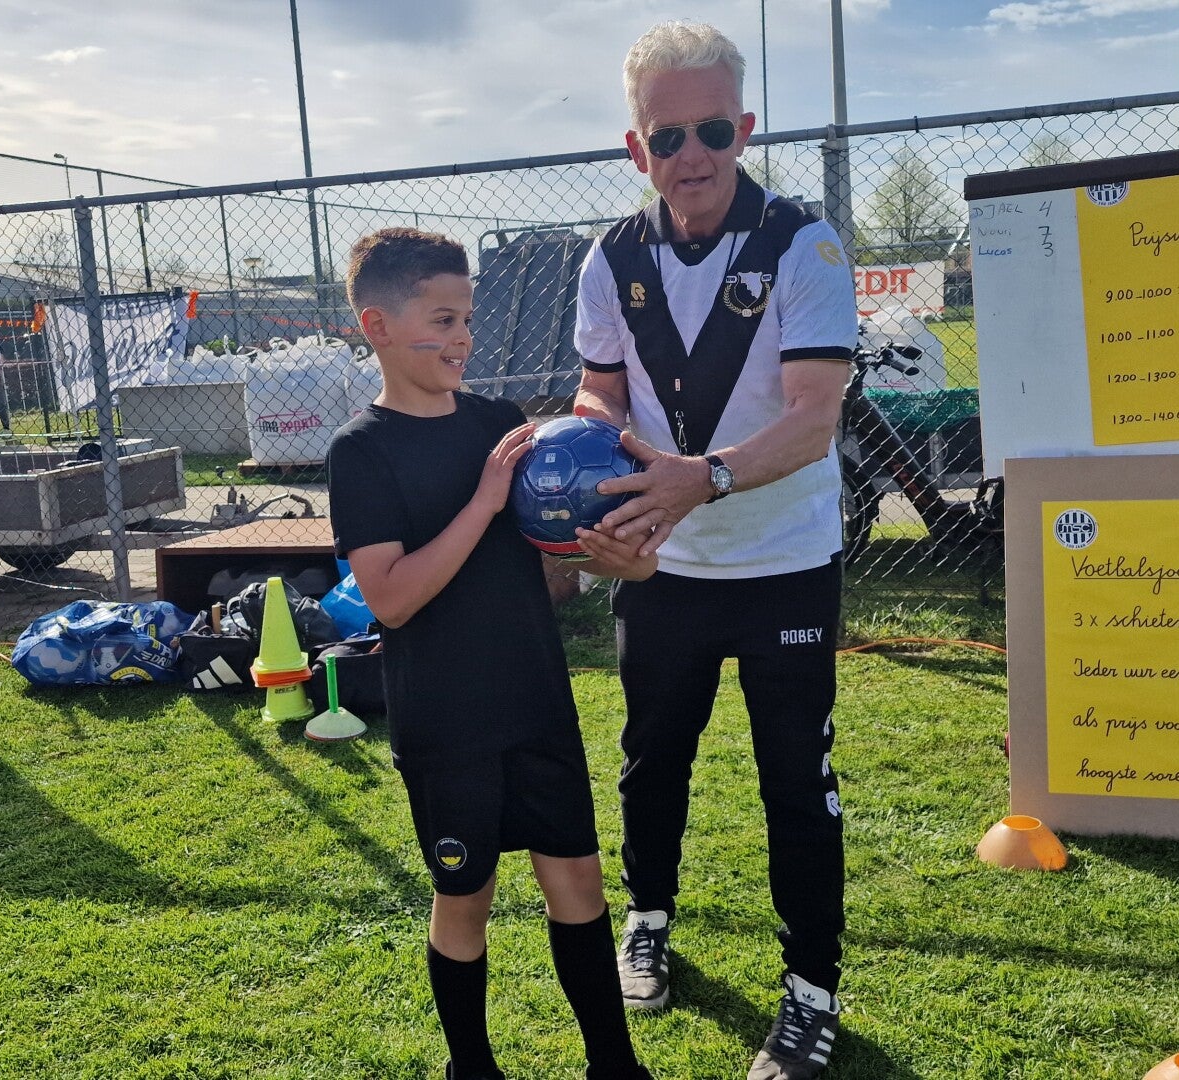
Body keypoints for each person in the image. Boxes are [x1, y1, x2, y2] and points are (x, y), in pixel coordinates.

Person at [570, 22, 859, 1080]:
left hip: (784, 559)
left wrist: (707, 477)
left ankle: (812, 991)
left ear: (744, 128)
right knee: (653, 759)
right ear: (635, 147)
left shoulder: (804, 245)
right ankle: (646, 920)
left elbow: (814, 417)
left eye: (711, 131)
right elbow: (600, 391)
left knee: (796, 782)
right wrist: (588, 454)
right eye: (667, 136)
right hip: (664, 565)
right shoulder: (609, 256)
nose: (691, 155)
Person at [327, 228, 657, 1080]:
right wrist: (482, 499)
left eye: (468, 318)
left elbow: (545, 554)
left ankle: (614, 1067)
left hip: (533, 698)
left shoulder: (500, 425)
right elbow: (391, 598)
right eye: (443, 319)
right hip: (446, 721)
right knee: (464, 899)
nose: (464, 338)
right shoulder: (361, 451)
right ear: (378, 326)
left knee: (577, 883)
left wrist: (616, 555)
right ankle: (471, 1068)